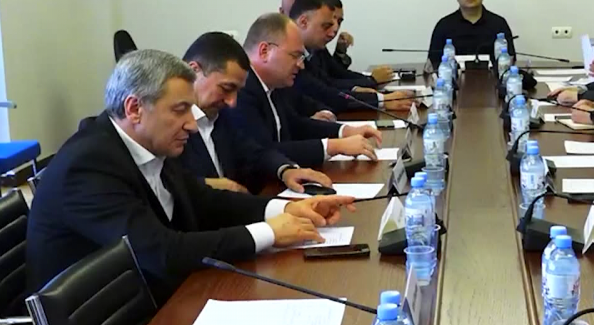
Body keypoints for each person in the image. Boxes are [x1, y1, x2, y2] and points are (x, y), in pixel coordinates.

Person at [26, 49, 354, 303]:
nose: (193, 125)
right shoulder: (86, 167)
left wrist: (286, 208)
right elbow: (160, 251)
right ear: (134, 109)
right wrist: (268, 233)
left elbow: (202, 200)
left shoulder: (151, 143)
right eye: (180, 110)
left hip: (156, 301)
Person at [179, 31, 331, 194]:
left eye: (237, 91)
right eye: (226, 88)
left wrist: (286, 170)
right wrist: (209, 184)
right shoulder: (168, 124)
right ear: (193, 71)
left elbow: (254, 152)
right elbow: (172, 183)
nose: (232, 102)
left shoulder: (220, 116)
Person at [226, 12, 381, 167]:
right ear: (264, 51)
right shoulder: (240, 90)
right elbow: (263, 152)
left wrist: (344, 131)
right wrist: (333, 146)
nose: (300, 65)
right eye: (295, 56)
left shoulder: (272, 83)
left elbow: (295, 125)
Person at [288, 0, 410, 116]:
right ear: (303, 22)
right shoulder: (289, 57)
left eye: (338, 22)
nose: (333, 32)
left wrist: (361, 90)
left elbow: (328, 84)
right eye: (326, 25)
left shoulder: (313, 49)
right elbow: (323, 93)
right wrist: (380, 96)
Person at [428, 0, 515, 66]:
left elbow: (510, 58)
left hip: (493, 75)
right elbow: (434, 61)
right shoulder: (444, 25)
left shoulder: (498, 23)